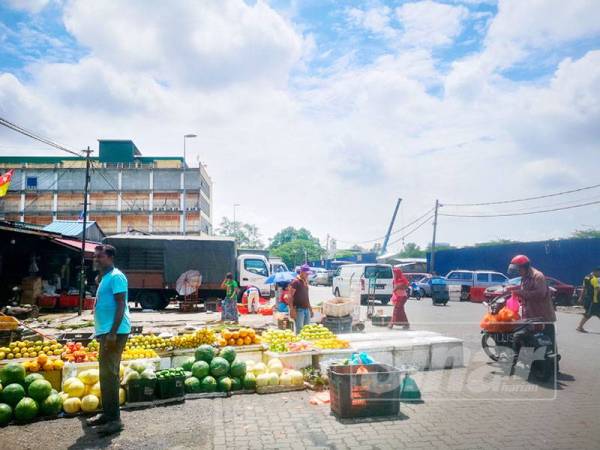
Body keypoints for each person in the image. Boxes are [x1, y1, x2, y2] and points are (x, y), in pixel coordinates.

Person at [87, 244, 131, 436]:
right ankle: (107, 414)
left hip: (115, 332)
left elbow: (121, 304)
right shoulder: (105, 277)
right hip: (106, 332)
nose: (96, 259)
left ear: (110, 257)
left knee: (110, 374)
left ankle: (115, 420)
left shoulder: (116, 277)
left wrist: (112, 333)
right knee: (105, 374)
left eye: (100, 256)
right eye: (95, 256)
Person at [508, 255, 558, 360]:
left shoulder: (538, 276)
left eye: (519, 269)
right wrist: (513, 289)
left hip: (543, 316)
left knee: (549, 344)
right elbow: (526, 289)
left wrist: (519, 292)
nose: (518, 272)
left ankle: (553, 367)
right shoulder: (525, 277)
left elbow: (540, 293)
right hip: (530, 315)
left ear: (525, 267)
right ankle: (534, 364)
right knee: (531, 340)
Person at [288, 264, 313, 334]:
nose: (307, 275)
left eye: (308, 274)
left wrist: (310, 309)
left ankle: (305, 343)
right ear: (301, 272)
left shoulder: (305, 282)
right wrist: (291, 309)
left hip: (306, 309)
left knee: (307, 329)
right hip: (299, 309)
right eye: (306, 273)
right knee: (299, 329)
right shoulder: (296, 282)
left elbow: (306, 297)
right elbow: (290, 296)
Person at [576, 266, 600, 332]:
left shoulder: (587, 277)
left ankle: (580, 327)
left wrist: (581, 297)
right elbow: (598, 289)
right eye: (599, 272)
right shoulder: (595, 279)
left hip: (588, 298)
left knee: (591, 313)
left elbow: (584, 288)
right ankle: (580, 327)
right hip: (594, 300)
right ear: (596, 271)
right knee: (588, 314)